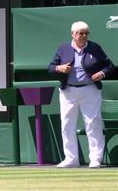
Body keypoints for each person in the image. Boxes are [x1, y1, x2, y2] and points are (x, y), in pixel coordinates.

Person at [49, 21, 114, 169]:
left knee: (93, 123)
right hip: (68, 91)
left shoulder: (95, 48)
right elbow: (51, 67)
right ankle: (71, 159)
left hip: (90, 90)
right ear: (73, 34)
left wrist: (102, 73)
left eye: (86, 33)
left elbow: (109, 65)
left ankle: (96, 159)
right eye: (80, 33)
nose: (84, 36)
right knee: (67, 124)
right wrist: (60, 68)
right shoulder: (64, 48)